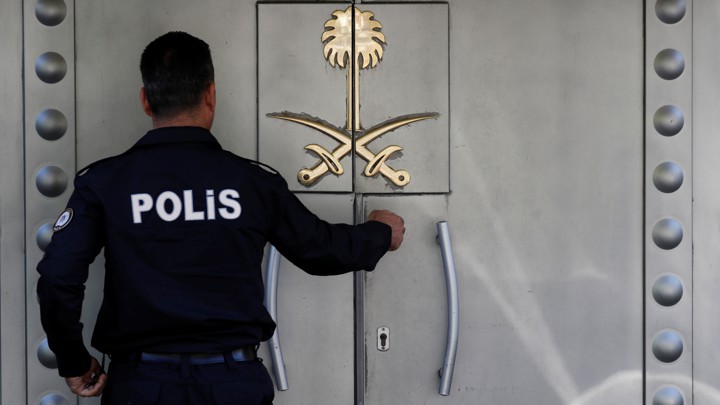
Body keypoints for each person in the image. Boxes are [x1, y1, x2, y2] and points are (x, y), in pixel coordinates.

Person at [37, 31, 405, 404]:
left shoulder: (103, 183)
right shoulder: (253, 183)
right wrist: (379, 232)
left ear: (146, 100)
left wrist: (75, 361)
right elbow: (321, 249)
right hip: (233, 385)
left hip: (141, 386)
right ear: (211, 95)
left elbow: (58, 276)